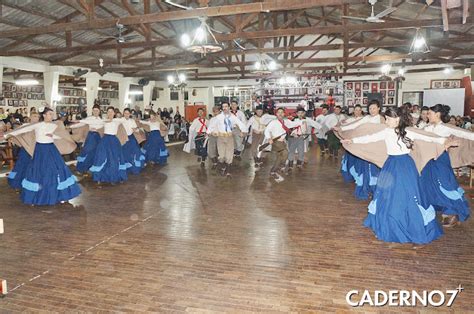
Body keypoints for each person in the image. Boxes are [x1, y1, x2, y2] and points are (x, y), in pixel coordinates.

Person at [342, 107, 449, 245]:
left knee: (407, 193)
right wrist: (353, 141)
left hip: (405, 166)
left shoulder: (409, 131)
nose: (386, 120)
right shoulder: (386, 131)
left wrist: (445, 141)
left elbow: (427, 137)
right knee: (388, 194)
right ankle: (390, 223)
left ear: (397, 118)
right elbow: (370, 138)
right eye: (385, 118)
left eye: (388, 118)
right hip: (391, 164)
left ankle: (410, 224)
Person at [6, 107, 81, 206]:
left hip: (51, 149)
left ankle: (60, 195)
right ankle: (35, 196)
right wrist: (7, 135)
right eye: (49, 114)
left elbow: (54, 135)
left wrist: (53, 136)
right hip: (40, 151)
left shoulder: (54, 125)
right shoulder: (38, 125)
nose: (51, 116)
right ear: (44, 115)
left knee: (57, 169)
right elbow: (22, 130)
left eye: (52, 114)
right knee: (38, 171)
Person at [420, 104, 473, 227]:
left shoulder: (446, 128)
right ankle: (437, 208)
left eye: (429, 113)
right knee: (428, 183)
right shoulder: (426, 128)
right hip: (428, 160)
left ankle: (451, 212)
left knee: (445, 184)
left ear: (437, 115)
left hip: (441, 160)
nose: (427, 115)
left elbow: (467, 134)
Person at [335, 100, 383, 200]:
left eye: (374, 108)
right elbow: (355, 125)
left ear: (379, 108)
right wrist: (342, 129)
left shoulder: (381, 119)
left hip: (376, 147)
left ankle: (375, 190)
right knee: (366, 167)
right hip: (365, 145)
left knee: (374, 169)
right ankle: (366, 188)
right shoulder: (367, 118)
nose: (372, 110)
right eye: (370, 108)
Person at [89, 107, 128, 184]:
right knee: (101, 157)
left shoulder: (117, 121)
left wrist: (112, 120)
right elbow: (95, 123)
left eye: (111, 112)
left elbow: (124, 120)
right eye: (108, 112)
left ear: (114, 113)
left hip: (113, 141)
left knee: (114, 159)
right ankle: (99, 177)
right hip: (105, 140)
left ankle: (114, 177)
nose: (110, 113)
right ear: (107, 113)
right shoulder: (104, 120)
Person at [207, 102, 247, 176]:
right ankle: (223, 166)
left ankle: (228, 171)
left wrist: (244, 131)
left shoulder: (233, 117)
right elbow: (212, 125)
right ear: (222, 108)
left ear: (229, 107)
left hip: (229, 137)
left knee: (229, 155)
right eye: (223, 107)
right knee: (221, 156)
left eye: (226, 106)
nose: (225, 108)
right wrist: (209, 132)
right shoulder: (218, 117)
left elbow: (240, 124)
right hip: (221, 138)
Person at [264, 107, 302, 181]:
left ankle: (274, 170)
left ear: (284, 114)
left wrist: (301, 122)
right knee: (285, 153)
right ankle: (281, 166)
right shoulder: (273, 122)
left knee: (280, 156)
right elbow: (267, 130)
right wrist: (269, 138)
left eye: (282, 112)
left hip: (282, 141)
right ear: (276, 114)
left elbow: (293, 124)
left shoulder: (286, 121)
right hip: (276, 141)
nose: (280, 114)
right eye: (279, 112)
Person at [7, 112, 40, 190]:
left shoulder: (39, 127)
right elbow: (15, 133)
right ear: (30, 117)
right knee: (21, 167)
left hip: (36, 150)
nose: (36, 118)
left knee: (33, 167)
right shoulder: (25, 126)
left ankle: (30, 184)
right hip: (25, 150)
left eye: (38, 116)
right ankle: (16, 184)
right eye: (35, 116)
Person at [70, 104, 104, 174]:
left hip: (98, 137)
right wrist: (71, 127)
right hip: (91, 136)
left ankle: (90, 168)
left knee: (95, 152)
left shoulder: (101, 120)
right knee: (86, 151)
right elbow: (81, 123)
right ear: (92, 111)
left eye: (97, 110)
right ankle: (80, 168)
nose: (95, 112)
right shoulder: (89, 118)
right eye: (94, 110)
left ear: (99, 111)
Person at [340, 105, 364, 183]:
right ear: (353, 111)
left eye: (359, 110)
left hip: (359, 143)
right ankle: (350, 175)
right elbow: (343, 125)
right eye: (356, 110)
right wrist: (342, 122)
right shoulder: (350, 119)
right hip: (350, 142)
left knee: (358, 159)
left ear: (361, 111)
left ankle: (358, 176)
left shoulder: (364, 120)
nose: (357, 112)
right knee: (350, 158)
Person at [118, 108, 145, 175]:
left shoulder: (132, 121)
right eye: (125, 113)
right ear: (123, 113)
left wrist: (136, 130)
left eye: (128, 113)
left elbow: (136, 130)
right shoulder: (120, 120)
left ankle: (135, 168)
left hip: (131, 138)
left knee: (135, 151)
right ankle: (127, 169)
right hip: (124, 138)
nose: (126, 114)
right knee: (125, 153)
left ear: (130, 114)